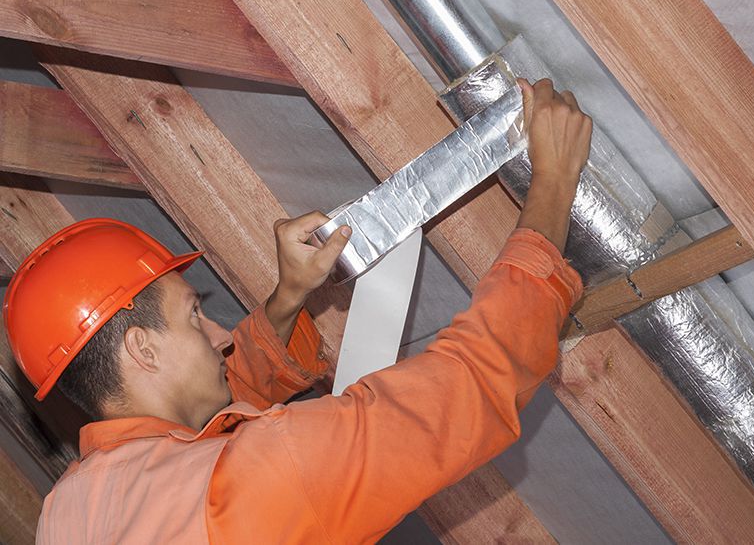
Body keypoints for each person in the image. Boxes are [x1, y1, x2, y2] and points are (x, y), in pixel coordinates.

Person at [4, 78, 592, 543]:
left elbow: (208, 428)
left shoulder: (70, 513)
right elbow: (465, 391)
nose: (220, 335)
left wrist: (289, 299)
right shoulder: (262, 485)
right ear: (141, 349)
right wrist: (554, 185)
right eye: (192, 316)